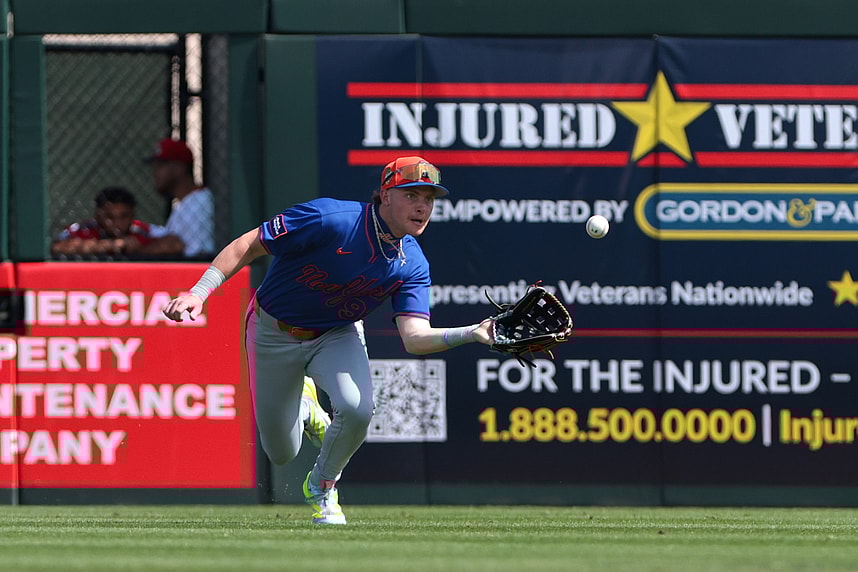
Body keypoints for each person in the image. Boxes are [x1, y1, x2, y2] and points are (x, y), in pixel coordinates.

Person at [162, 156, 495, 525]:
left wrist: (472, 334)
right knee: (282, 452)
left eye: (429, 198)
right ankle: (305, 408)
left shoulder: (413, 262)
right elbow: (249, 244)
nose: (422, 206)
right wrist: (198, 292)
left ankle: (322, 487)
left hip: (337, 332)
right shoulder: (330, 219)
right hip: (274, 331)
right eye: (411, 194)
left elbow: (415, 339)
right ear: (385, 195)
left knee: (358, 409)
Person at [144, 138, 215, 258]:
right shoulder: (186, 203)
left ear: (179, 168)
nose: (154, 173)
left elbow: (201, 255)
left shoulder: (199, 203)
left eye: (160, 166)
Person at [51, 186, 163, 257]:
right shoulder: (85, 229)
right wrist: (109, 245)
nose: (117, 223)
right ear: (98, 215)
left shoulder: (143, 230)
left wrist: (140, 250)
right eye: (109, 217)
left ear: (132, 215)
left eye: (124, 216)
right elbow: (56, 247)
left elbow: (175, 243)